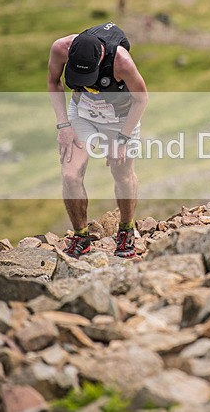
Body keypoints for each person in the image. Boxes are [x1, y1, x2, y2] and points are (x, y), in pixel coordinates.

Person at [47, 22, 149, 259]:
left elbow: (142, 98)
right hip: (82, 112)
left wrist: (122, 139)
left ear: (101, 58)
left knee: (121, 173)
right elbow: (54, 82)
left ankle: (126, 230)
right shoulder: (60, 47)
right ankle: (81, 237)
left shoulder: (121, 61)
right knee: (70, 175)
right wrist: (63, 125)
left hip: (120, 117)